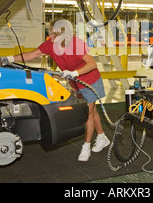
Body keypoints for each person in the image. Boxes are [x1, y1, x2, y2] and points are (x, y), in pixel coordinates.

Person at [6, 19, 110, 161]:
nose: (51, 37)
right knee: (92, 110)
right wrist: (9, 58)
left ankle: (86, 147)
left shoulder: (76, 44)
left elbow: (92, 64)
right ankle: (102, 136)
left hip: (90, 81)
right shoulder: (50, 45)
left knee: (88, 114)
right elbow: (32, 54)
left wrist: (76, 73)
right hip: (75, 82)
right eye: (50, 34)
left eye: (54, 35)